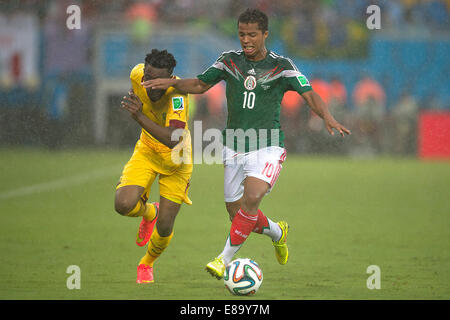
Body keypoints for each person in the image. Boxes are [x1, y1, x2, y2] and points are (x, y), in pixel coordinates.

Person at [141, 8, 350, 280]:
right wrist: (169, 83)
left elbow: (309, 95)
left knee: (252, 198)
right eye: (241, 34)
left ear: (265, 34)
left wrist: (328, 117)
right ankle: (278, 232)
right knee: (237, 212)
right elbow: (200, 85)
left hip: (268, 146)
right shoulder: (228, 61)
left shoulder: (282, 66)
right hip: (234, 146)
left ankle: (223, 260)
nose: (246, 40)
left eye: (252, 34)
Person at [116, 49, 192, 283]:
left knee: (166, 226)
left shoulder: (178, 94)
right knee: (123, 204)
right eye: (148, 77)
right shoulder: (136, 75)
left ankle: (146, 263)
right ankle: (150, 211)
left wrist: (139, 116)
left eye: (158, 81)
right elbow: (137, 91)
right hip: (147, 150)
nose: (151, 84)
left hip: (176, 160)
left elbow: (173, 139)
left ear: (170, 77)